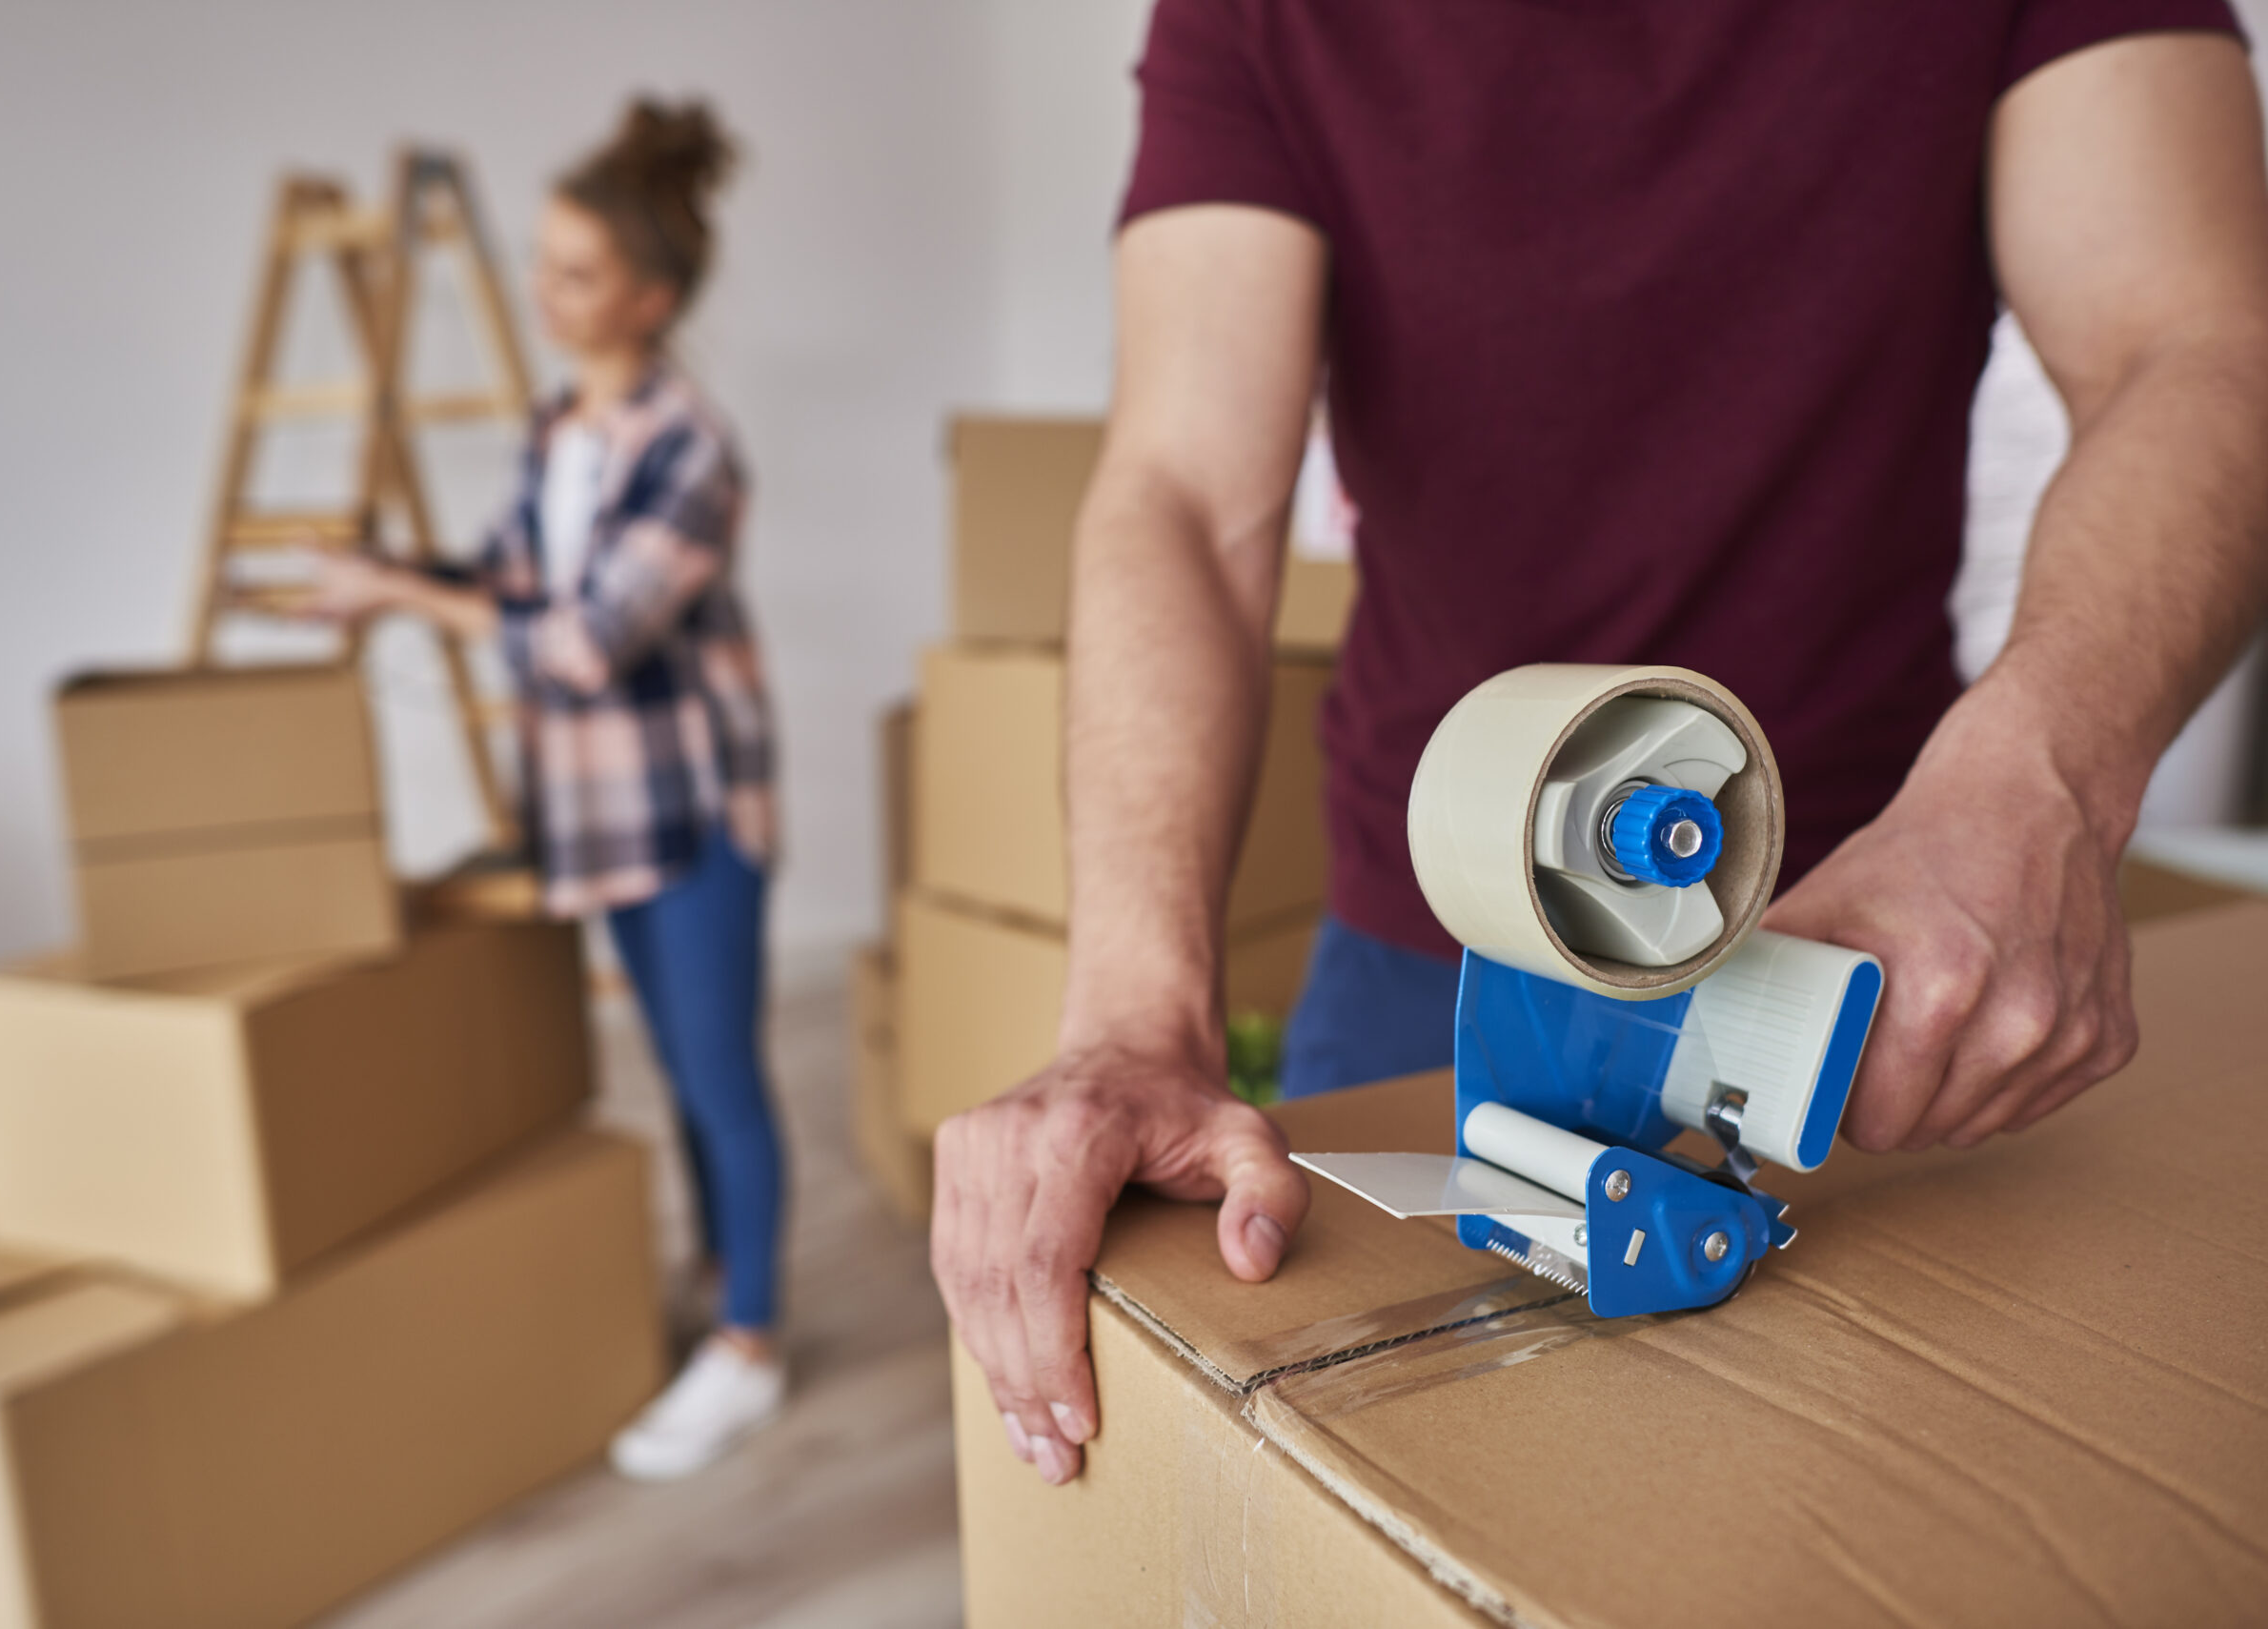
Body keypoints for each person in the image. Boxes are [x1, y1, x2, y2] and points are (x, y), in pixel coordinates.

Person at [931, 2, 2268, 1487]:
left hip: (1886, 950)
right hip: (1427, 934)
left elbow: (2195, 342)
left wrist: (2042, 782)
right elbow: (1184, 487)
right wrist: (1131, 1012)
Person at [307, 99, 786, 1480]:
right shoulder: (558, 425)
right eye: (543, 261)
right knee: (686, 1081)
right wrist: (389, 572)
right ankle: (725, 1288)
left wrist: (402, 593)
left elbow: (583, 642)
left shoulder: (692, 448)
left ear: (654, 296)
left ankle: (750, 1343)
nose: (544, 291)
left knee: (720, 1079)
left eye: (575, 272)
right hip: (597, 812)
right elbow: (518, 582)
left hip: (690, 815)